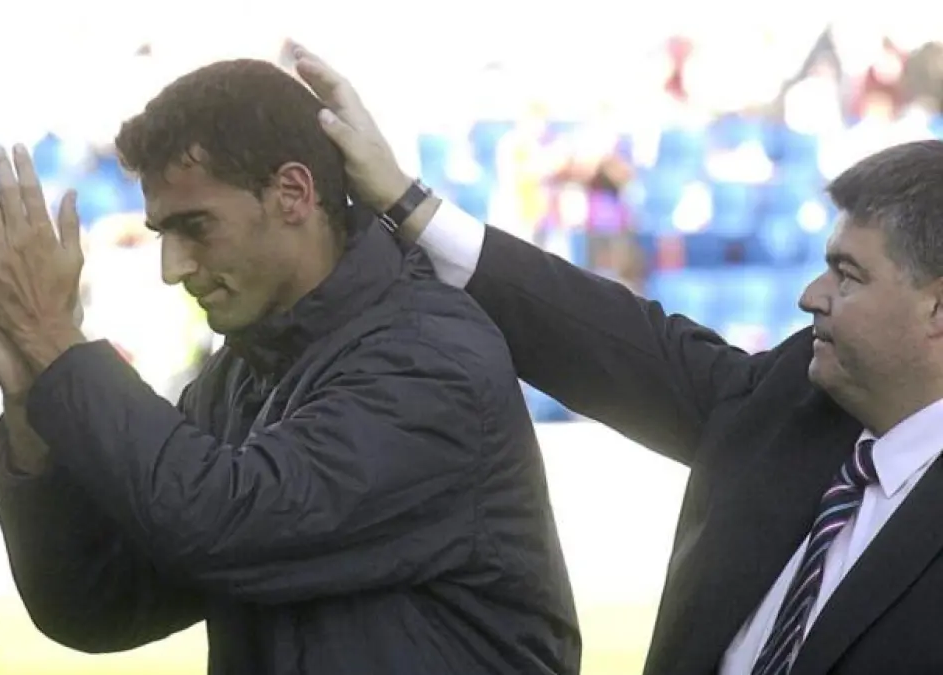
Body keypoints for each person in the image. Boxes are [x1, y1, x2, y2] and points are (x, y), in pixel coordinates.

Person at [291, 45, 943, 675]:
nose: (811, 296)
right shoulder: (795, 394)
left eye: (848, 275)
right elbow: (619, 343)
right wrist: (407, 203)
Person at [0, 59, 580, 675]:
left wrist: (55, 339)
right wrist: (32, 408)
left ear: (293, 193)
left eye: (196, 227)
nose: (173, 268)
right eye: (164, 233)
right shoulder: (240, 378)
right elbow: (98, 604)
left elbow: (227, 525)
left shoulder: (431, 359)